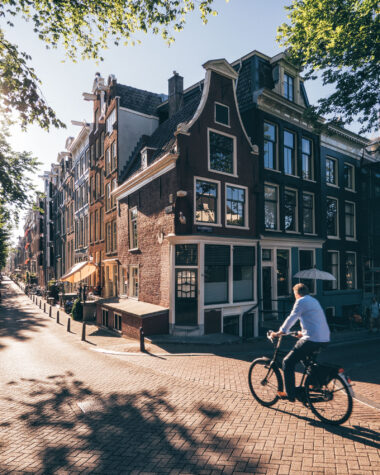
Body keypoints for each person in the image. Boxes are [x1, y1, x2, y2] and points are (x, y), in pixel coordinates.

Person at [270, 283, 330, 402]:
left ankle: (290, 394)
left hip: (312, 339)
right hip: (324, 339)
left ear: (297, 294)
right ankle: (314, 385)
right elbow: (314, 321)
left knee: (287, 362)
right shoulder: (314, 301)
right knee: (308, 361)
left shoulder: (301, 301)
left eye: (294, 295)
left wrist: (279, 332)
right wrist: (302, 333)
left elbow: (292, 318)